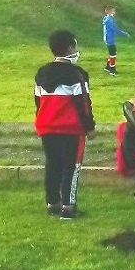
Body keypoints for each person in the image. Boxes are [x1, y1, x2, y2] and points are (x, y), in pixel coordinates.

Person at [34, 29, 96, 219]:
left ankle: (52, 203)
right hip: (71, 128)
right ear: (70, 47)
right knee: (71, 166)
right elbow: (83, 103)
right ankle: (68, 207)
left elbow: (37, 100)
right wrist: (89, 126)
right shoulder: (77, 74)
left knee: (52, 164)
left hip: (46, 126)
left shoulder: (42, 73)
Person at [102, 6, 129, 77]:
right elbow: (116, 30)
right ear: (110, 12)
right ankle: (112, 70)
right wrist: (124, 34)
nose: (115, 12)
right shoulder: (110, 20)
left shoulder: (106, 19)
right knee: (113, 54)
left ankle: (107, 67)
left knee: (112, 53)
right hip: (110, 39)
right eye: (113, 11)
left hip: (108, 38)